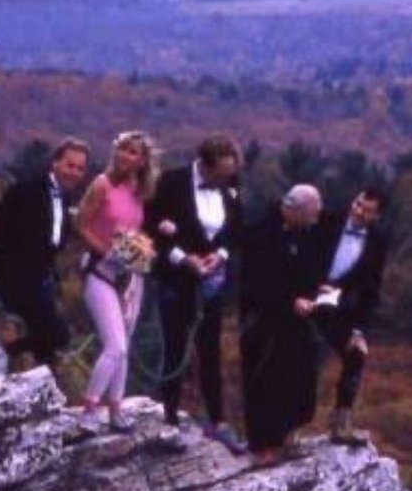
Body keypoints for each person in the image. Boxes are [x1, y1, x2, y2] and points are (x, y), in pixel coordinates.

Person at [0, 137, 90, 368]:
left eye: (80, 168)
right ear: (54, 164)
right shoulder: (27, 192)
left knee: (49, 345)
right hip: (16, 279)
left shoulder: (63, 199)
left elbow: (51, 241)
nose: (74, 172)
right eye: (69, 165)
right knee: (57, 336)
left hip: (40, 281)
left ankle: (42, 391)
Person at [146, 134, 243, 451]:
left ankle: (218, 422)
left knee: (210, 352)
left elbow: (236, 232)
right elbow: (148, 228)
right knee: (174, 350)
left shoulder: (230, 186)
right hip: (176, 280)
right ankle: (169, 420)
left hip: (212, 283)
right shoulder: (171, 182)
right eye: (220, 174)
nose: (225, 180)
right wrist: (182, 258)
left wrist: (222, 256)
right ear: (204, 165)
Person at [77, 131, 160, 432]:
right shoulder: (101, 184)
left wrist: (138, 257)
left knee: (125, 344)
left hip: (130, 273)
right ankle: (89, 410)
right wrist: (106, 251)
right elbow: (81, 224)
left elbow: (133, 231)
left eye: (133, 152)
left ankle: (116, 410)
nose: (126, 155)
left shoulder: (140, 189)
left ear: (142, 161)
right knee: (115, 346)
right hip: (100, 270)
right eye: (123, 149)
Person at [240, 184, 325, 467]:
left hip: (296, 320)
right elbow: (260, 280)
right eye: (312, 215)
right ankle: (263, 445)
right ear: (294, 210)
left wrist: (314, 291)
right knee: (266, 381)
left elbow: (308, 269)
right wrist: (291, 300)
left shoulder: (304, 232)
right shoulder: (263, 233)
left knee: (303, 373)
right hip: (266, 320)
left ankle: (290, 432)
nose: (315, 221)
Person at [310, 184, 390, 445]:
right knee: (305, 359)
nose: (358, 212)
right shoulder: (326, 221)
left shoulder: (377, 242)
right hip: (304, 298)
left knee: (355, 354)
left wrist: (359, 331)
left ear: (377, 216)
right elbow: (299, 255)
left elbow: (371, 291)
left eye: (367, 211)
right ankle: (287, 428)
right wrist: (311, 285)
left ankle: (341, 425)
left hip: (338, 308)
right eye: (357, 205)